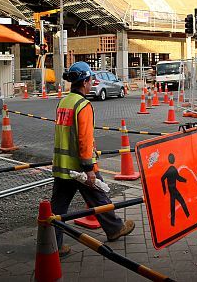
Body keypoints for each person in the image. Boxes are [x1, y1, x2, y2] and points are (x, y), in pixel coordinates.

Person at [51, 61, 135, 257]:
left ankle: (53, 245)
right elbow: (85, 139)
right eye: (90, 80)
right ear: (85, 81)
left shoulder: (63, 102)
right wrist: (89, 168)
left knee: (58, 208)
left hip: (62, 166)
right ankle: (114, 229)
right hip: (80, 166)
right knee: (100, 196)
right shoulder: (83, 105)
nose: (91, 84)